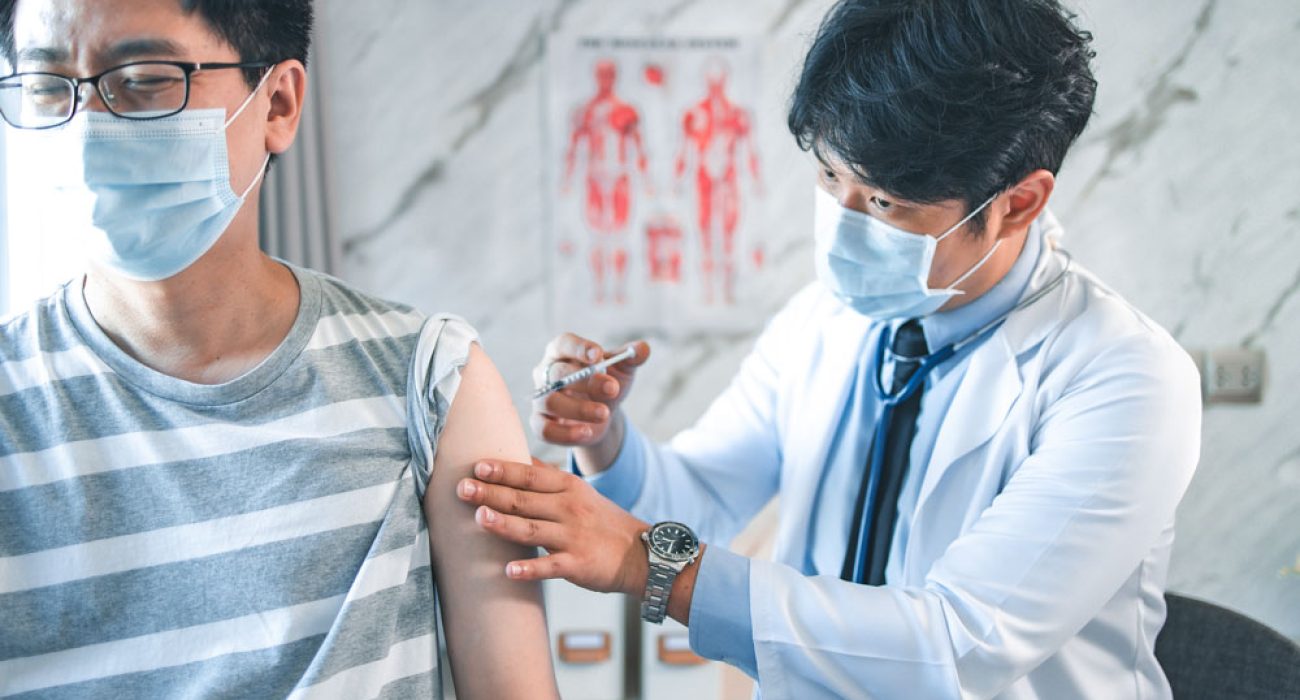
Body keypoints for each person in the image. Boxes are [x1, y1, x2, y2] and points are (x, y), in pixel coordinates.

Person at [455, 1, 1202, 697]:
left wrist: (649, 563)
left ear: (1018, 203)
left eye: (884, 203)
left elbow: (956, 644)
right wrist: (606, 439)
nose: (844, 223)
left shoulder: (1126, 379)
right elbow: (702, 499)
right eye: (828, 175)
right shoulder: (826, 317)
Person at [0, 1, 558, 698]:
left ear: (279, 104)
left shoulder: (430, 380)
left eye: (143, 78)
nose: (88, 129)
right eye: (50, 87)